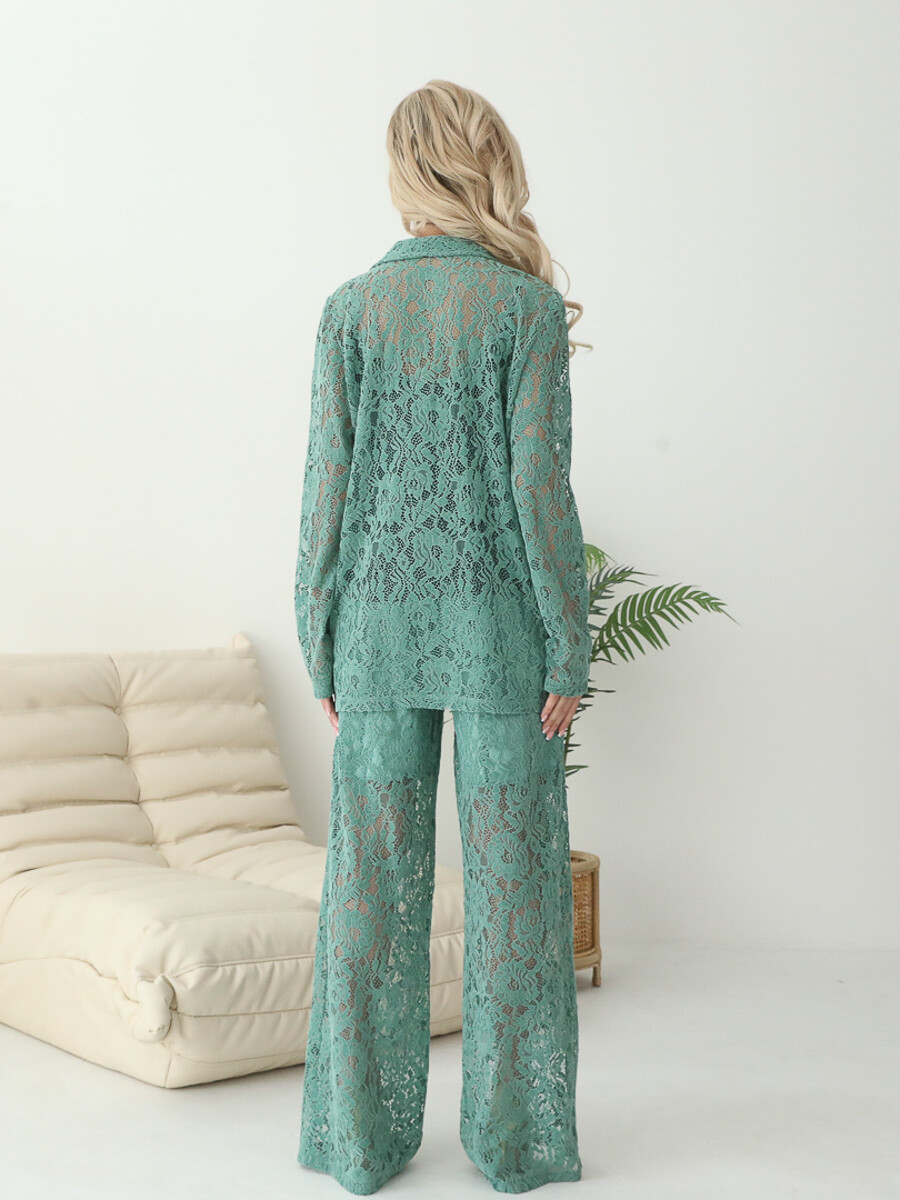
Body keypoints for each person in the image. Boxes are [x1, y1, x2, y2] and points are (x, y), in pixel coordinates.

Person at [294, 78, 592, 1195]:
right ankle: (517, 1145)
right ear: (485, 164)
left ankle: (359, 1143)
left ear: (403, 170)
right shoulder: (524, 310)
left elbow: (324, 491)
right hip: (502, 634)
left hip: (373, 632)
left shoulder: (349, 310)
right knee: (517, 891)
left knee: (369, 891)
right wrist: (567, 643)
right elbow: (541, 495)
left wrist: (319, 634)